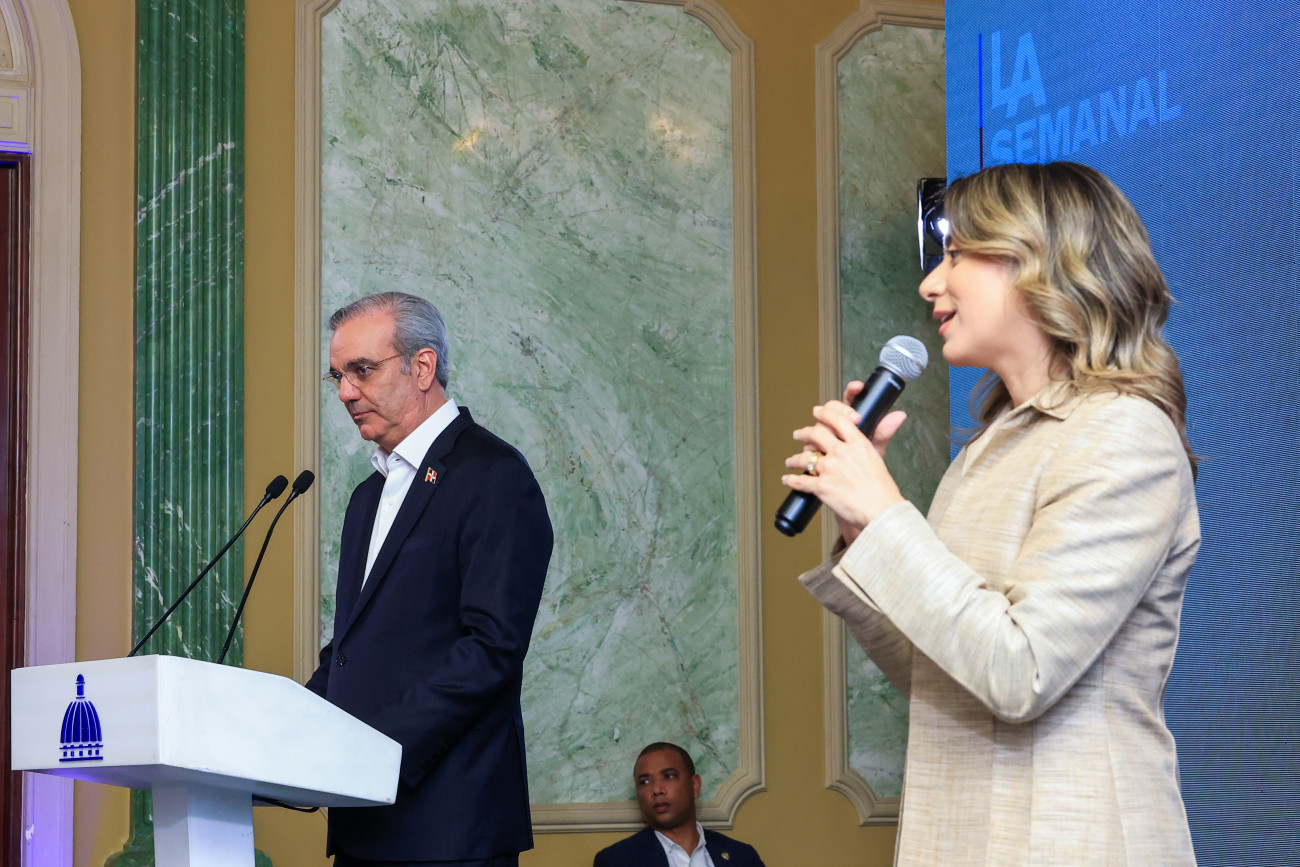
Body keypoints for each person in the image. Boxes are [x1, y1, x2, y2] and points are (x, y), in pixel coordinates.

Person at [782, 162, 1199, 865]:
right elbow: (939, 674)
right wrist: (860, 526)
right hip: (959, 836)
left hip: (1073, 842)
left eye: (955, 255)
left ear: (1039, 262)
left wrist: (886, 515)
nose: (930, 285)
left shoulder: (1123, 432)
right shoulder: (986, 450)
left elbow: (1020, 672)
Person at [305, 291, 554, 867]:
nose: (345, 393)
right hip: (363, 823)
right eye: (338, 376)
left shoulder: (492, 475)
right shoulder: (367, 497)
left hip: (449, 829)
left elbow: (491, 648)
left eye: (361, 370)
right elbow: (353, 650)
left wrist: (377, 751)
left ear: (422, 367)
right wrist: (283, 734)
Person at [593, 743, 766, 867]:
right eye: (645, 782)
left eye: (669, 776)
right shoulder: (616, 861)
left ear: (694, 786)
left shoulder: (742, 856)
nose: (657, 789)